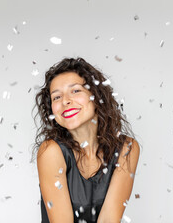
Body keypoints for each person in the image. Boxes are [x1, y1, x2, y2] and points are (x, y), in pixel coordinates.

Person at [32, 57, 140, 223]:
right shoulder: (51, 152)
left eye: (75, 91)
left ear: (96, 95)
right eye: (56, 97)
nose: (65, 101)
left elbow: (109, 220)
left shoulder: (127, 148)